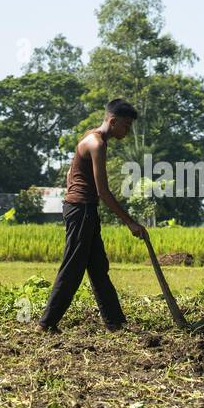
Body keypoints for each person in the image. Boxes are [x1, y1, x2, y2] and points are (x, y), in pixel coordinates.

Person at [39, 99, 148, 333]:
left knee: (98, 268)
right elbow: (103, 192)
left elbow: (71, 172)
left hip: (83, 209)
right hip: (82, 211)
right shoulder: (96, 144)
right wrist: (131, 223)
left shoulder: (91, 138)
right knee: (73, 268)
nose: (127, 131)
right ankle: (46, 323)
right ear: (113, 121)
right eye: (126, 126)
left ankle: (116, 324)